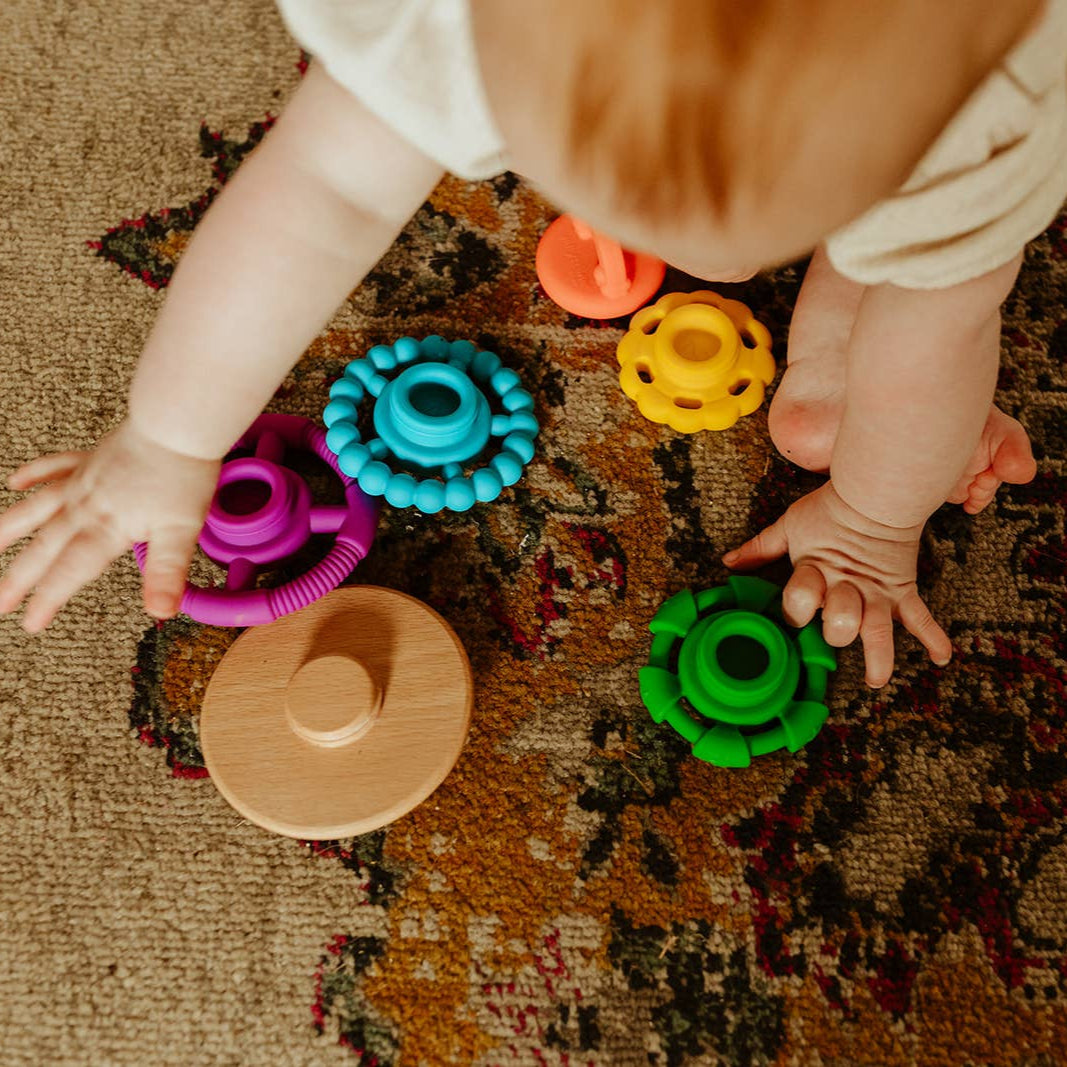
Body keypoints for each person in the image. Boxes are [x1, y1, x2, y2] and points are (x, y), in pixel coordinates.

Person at [0, 0, 1061, 690]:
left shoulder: (992, 108)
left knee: (929, 290)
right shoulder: (443, 18)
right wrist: (173, 437)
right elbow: (316, 191)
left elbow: (943, 329)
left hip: (941, 122)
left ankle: (873, 244)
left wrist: (874, 519)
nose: (676, 259)